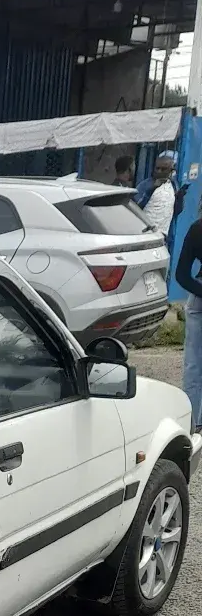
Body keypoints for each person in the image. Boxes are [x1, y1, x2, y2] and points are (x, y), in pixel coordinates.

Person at [175, 204, 202, 431]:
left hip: (199, 298)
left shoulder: (197, 228)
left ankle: (191, 424)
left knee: (194, 365)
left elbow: (182, 276)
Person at [137, 152, 176, 234]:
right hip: (145, 234)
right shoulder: (145, 185)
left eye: (163, 169)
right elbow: (135, 208)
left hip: (162, 235)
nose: (159, 171)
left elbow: (175, 210)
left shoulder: (173, 185)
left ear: (171, 171)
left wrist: (180, 198)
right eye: (157, 168)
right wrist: (151, 190)